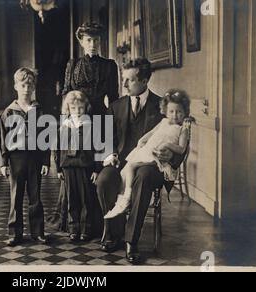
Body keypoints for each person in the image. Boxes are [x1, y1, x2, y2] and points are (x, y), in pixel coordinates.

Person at [95, 58, 185, 264]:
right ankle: (114, 231)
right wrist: (111, 154)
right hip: (121, 163)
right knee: (103, 180)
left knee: (143, 177)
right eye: (123, 79)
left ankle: (131, 241)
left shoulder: (163, 106)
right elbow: (106, 140)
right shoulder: (116, 106)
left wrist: (172, 155)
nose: (124, 85)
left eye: (130, 80)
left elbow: (180, 138)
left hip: (151, 166)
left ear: (144, 80)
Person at [48, 22, 119, 234]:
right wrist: (64, 122)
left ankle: (94, 223)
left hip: (99, 118)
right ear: (81, 41)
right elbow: (67, 95)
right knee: (75, 167)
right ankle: (73, 221)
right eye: (88, 40)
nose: (93, 44)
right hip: (76, 117)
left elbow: (113, 98)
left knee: (94, 168)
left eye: (97, 39)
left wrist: (110, 124)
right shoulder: (73, 64)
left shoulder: (110, 65)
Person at [104, 90, 191, 219]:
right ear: (166, 111)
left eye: (179, 112)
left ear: (185, 112)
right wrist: (142, 140)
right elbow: (150, 133)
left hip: (157, 157)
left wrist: (167, 146)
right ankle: (122, 202)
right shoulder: (163, 122)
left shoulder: (183, 129)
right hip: (147, 150)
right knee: (124, 171)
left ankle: (128, 199)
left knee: (133, 168)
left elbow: (181, 149)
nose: (175, 115)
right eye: (171, 111)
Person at [0, 67, 51, 247]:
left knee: (35, 196)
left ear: (34, 87)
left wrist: (46, 161)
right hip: (16, 159)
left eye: (30, 85)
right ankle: (15, 233)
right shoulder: (9, 111)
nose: (26, 89)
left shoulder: (39, 110)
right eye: (23, 85)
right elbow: (3, 139)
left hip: (35, 158)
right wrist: (4, 162)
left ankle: (38, 232)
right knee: (16, 196)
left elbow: (46, 137)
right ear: (16, 86)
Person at [55, 91, 101, 242]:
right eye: (73, 108)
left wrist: (96, 169)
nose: (78, 112)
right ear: (68, 109)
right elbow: (57, 149)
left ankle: (86, 228)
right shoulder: (64, 126)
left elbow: (98, 149)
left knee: (87, 199)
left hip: (85, 167)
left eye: (81, 108)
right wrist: (58, 168)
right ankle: (73, 228)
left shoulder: (91, 126)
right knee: (72, 198)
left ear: (86, 107)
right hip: (68, 167)